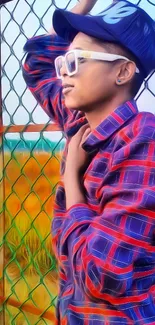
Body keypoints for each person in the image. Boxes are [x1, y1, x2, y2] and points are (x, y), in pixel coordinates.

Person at [22, 0, 155, 324]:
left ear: (123, 72)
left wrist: (71, 180)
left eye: (77, 60)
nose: (64, 70)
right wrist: (85, 4)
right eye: (64, 61)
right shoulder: (82, 124)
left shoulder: (142, 140)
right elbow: (37, 60)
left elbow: (101, 275)